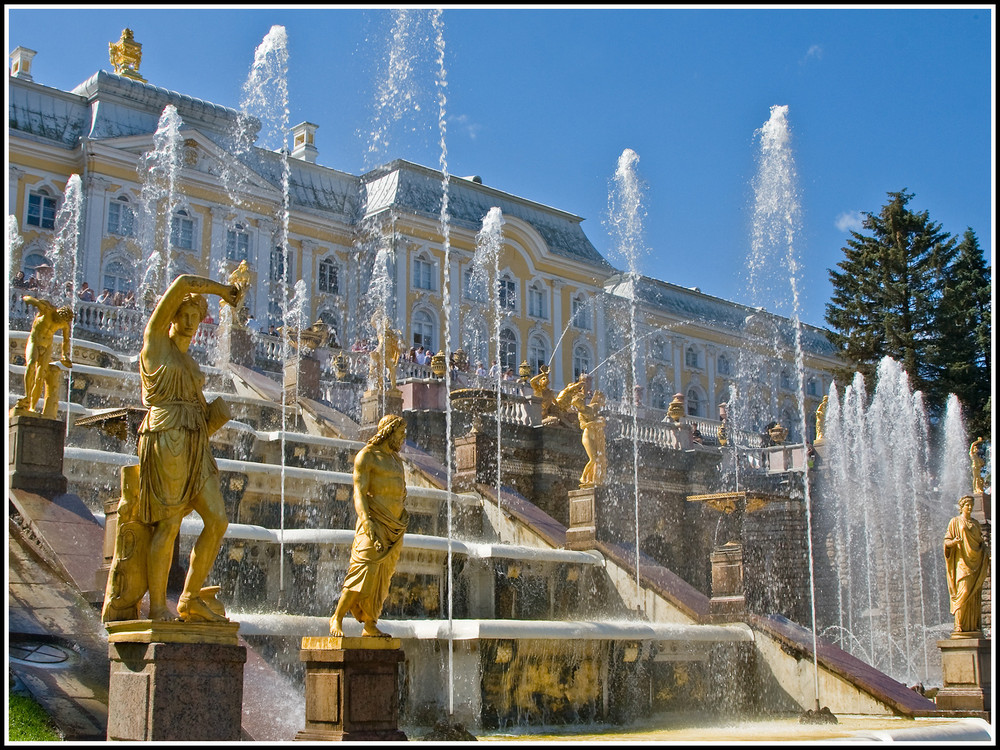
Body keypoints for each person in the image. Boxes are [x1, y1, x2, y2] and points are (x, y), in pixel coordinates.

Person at [135, 272, 246, 622]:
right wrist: (222, 292)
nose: (187, 322)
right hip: (165, 437)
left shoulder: (193, 364)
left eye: (194, 317)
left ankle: (189, 596)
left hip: (196, 444)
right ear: (170, 316)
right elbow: (183, 282)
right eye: (182, 315)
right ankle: (155, 608)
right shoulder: (155, 343)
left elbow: (200, 415)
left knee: (217, 520)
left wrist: (216, 414)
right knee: (167, 526)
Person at [329, 414, 409, 638]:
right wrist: (367, 522)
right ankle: (337, 617)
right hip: (373, 523)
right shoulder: (367, 457)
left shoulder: (396, 460)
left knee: (383, 578)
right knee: (363, 573)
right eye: (400, 433)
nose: (403, 438)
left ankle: (370, 623)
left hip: (394, 526)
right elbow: (359, 493)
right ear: (388, 432)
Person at [13, 295, 74, 418]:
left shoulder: (63, 324)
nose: (59, 323)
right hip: (34, 342)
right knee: (30, 366)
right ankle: (27, 396)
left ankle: (32, 407)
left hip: (47, 347)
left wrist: (65, 355)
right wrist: (33, 301)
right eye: (58, 319)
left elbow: (66, 340)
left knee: (40, 375)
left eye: (62, 322)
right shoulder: (47, 310)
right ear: (57, 313)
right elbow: (26, 298)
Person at [943, 495, 990, 635]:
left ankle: (973, 626)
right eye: (967, 505)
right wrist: (954, 542)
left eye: (971, 505)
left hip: (976, 562)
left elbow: (981, 544)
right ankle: (959, 625)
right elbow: (946, 541)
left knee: (974, 595)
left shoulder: (975, 524)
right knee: (962, 593)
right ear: (961, 507)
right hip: (962, 563)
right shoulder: (955, 522)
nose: (969, 508)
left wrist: (987, 552)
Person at [574, 389, 607, 487]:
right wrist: (593, 422)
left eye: (580, 402)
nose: (579, 405)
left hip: (595, 435)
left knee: (598, 458)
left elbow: (597, 404)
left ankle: (593, 478)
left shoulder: (590, 408)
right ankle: (583, 477)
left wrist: (598, 396)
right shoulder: (580, 414)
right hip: (587, 436)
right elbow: (582, 426)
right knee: (593, 459)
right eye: (577, 405)